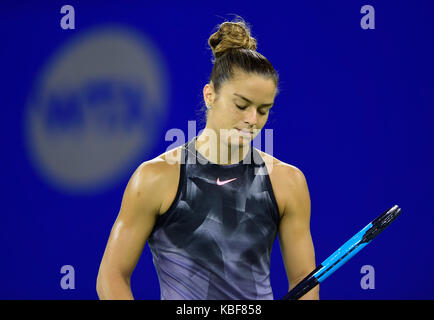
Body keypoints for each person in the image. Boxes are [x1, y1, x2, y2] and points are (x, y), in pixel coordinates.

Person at [96, 17, 319, 300]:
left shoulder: (288, 182)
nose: (252, 119)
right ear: (210, 95)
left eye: (263, 110)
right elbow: (111, 276)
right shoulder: (155, 177)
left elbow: (304, 281)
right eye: (241, 105)